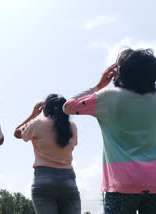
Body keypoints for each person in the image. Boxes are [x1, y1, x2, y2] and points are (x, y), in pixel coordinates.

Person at [63, 48, 156, 214]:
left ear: (120, 72)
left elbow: (68, 107)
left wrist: (99, 85)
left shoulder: (107, 97)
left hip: (121, 183)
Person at [14, 94, 80, 214]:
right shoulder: (72, 127)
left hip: (43, 179)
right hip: (68, 180)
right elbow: (74, 144)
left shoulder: (37, 123)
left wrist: (33, 115)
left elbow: (17, 133)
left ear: (45, 108)